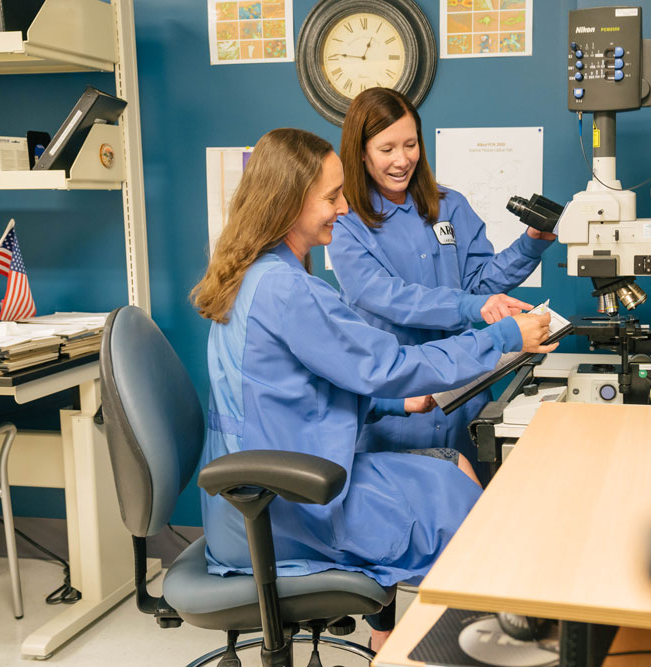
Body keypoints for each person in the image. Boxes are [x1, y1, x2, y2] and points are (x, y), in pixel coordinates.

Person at [190, 128, 556, 649]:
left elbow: (294, 391)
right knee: (461, 514)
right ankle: (454, 652)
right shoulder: (287, 289)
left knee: (452, 468)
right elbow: (387, 364)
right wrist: (500, 337)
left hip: (270, 483)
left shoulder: (258, 273)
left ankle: (445, 643)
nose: (343, 210)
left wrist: (388, 403)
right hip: (288, 502)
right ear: (290, 203)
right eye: (332, 197)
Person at [328, 88, 558, 468]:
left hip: (463, 401)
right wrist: (473, 305)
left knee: (472, 509)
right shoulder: (345, 221)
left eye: (410, 144)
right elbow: (387, 296)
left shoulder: (449, 205)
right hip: (399, 408)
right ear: (361, 151)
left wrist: (531, 244)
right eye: (387, 149)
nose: (402, 160)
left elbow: (480, 285)